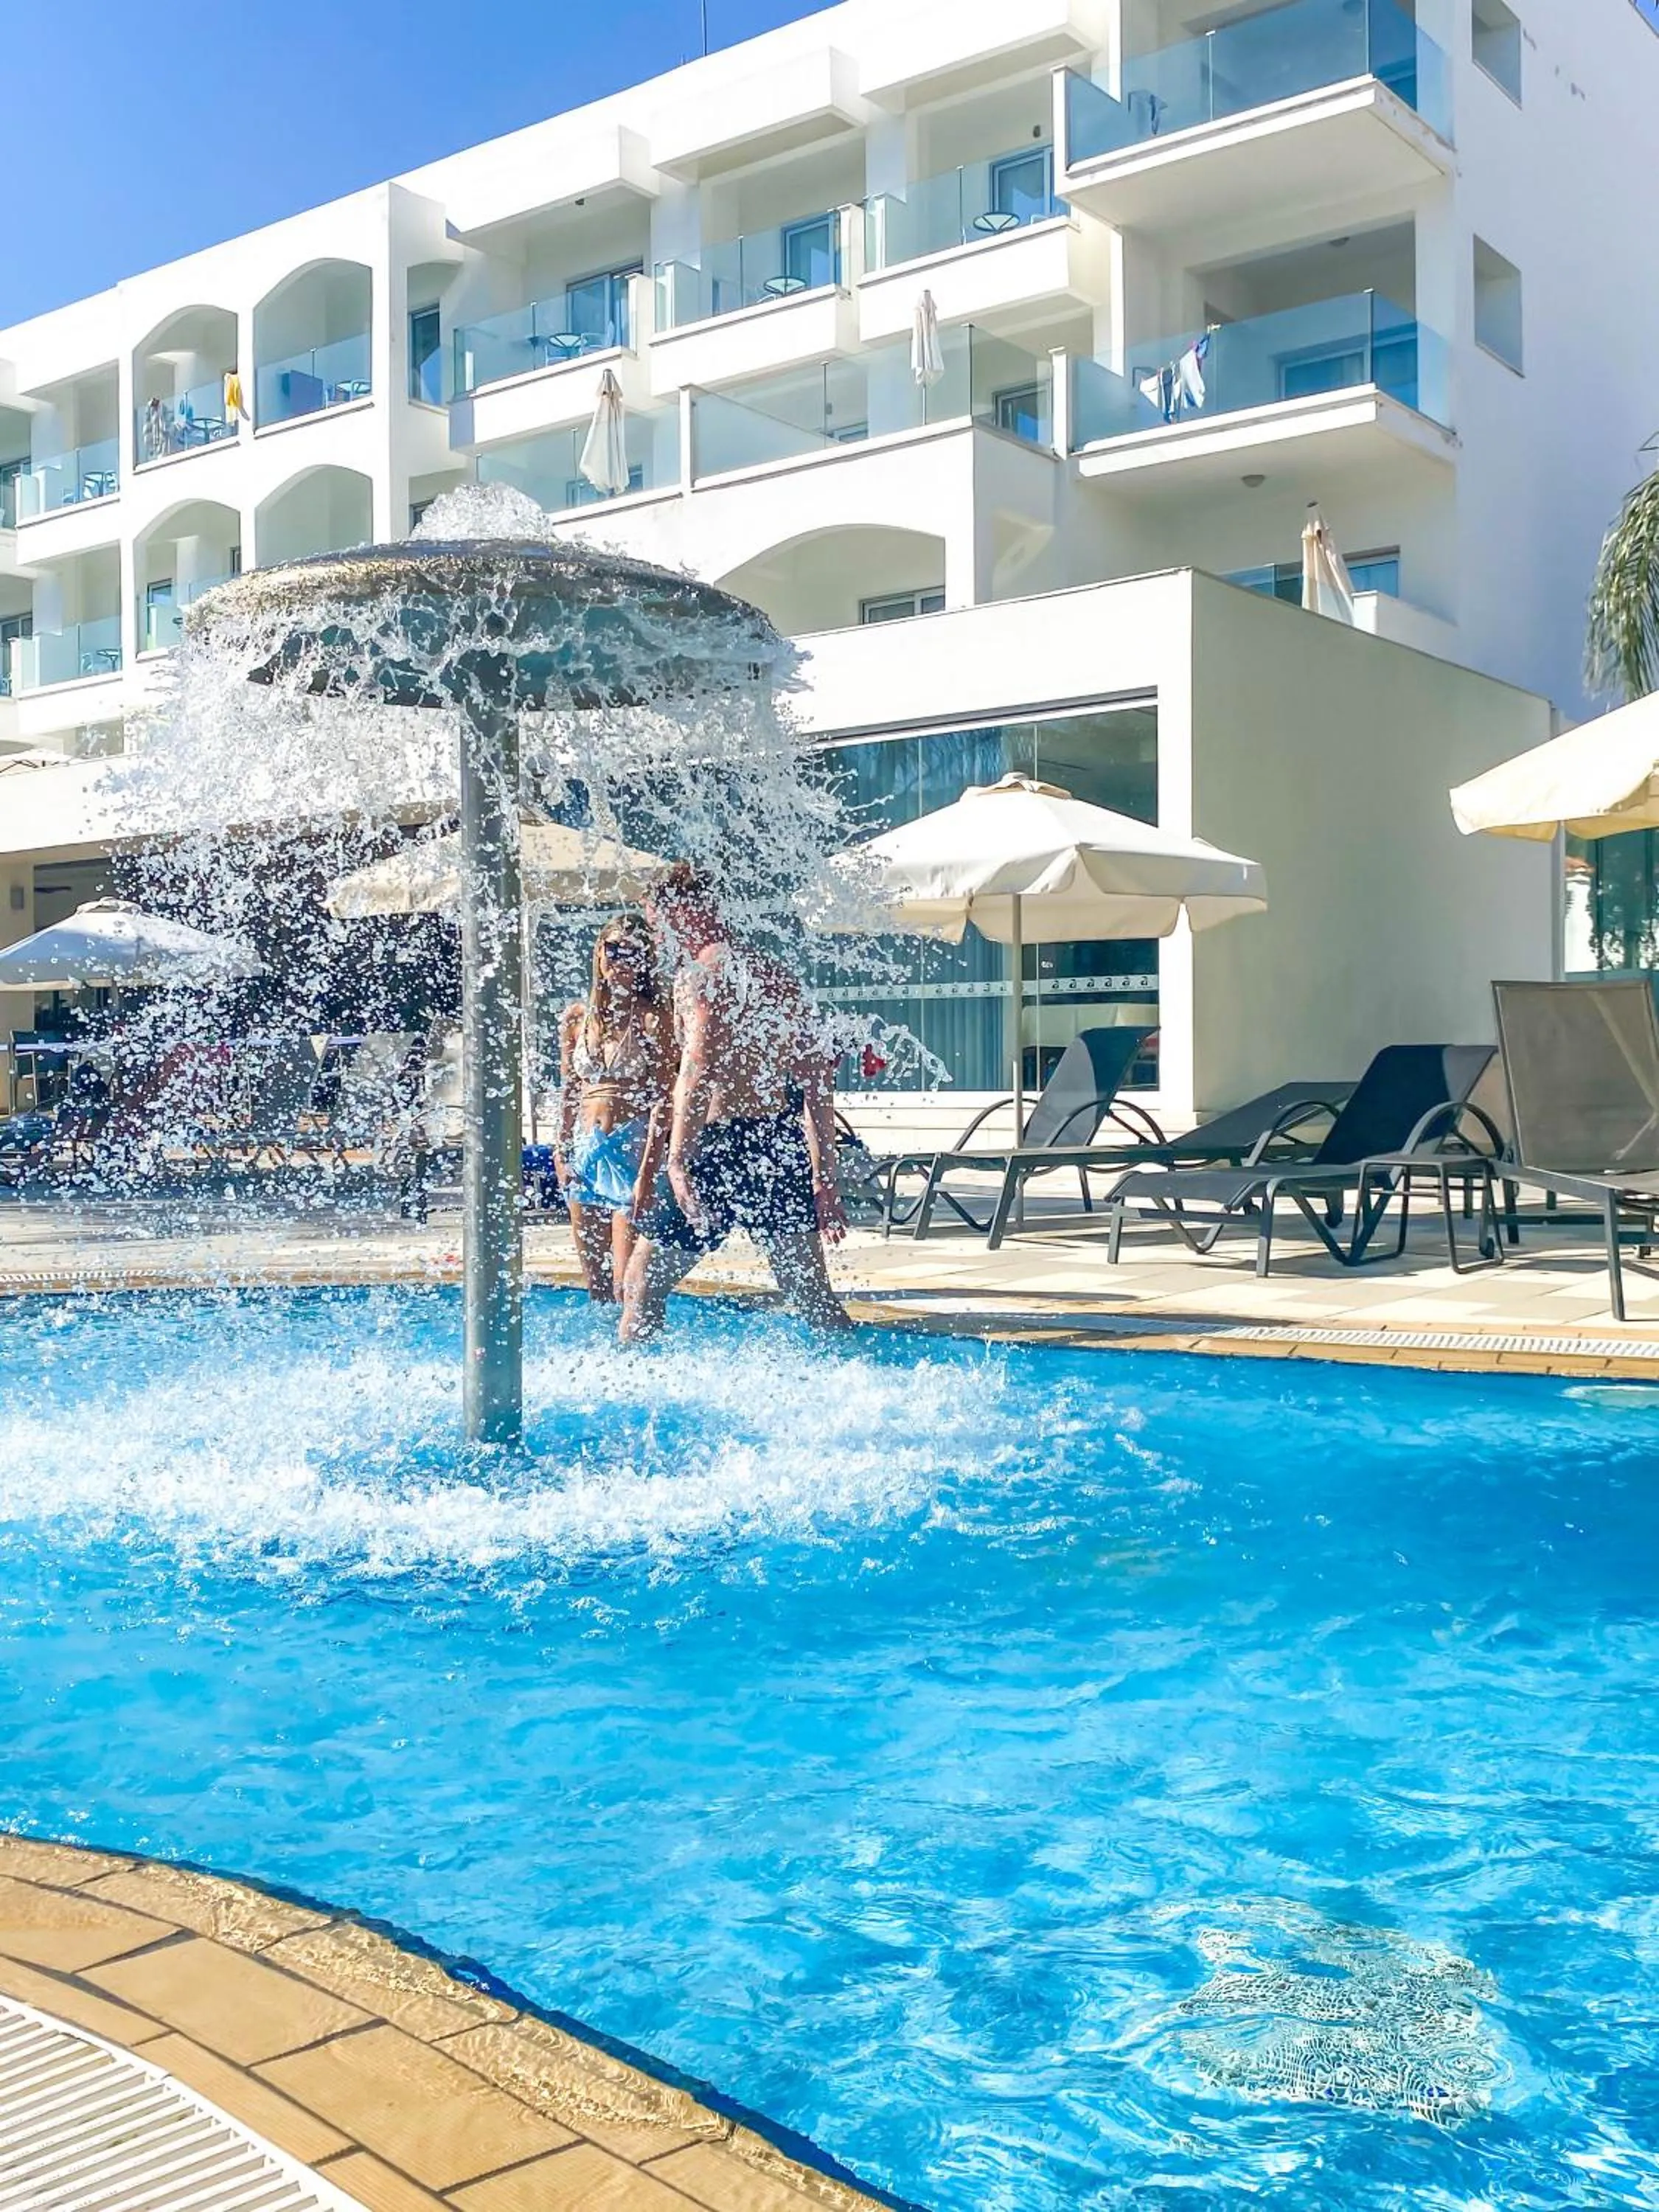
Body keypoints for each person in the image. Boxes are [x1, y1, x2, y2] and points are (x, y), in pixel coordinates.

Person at [619, 862, 851, 1343]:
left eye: (656, 922)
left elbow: (698, 1068)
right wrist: (823, 1178)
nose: (657, 937)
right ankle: (868, 1382)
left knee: (640, 1285)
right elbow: (815, 1080)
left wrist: (678, 1160)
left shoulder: (702, 975)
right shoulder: (776, 974)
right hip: (776, 1143)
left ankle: (633, 1404)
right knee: (813, 1299)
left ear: (677, 912)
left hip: (715, 1149)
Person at [556, 914, 673, 1304]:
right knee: (597, 1288)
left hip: (631, 1152)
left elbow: (666, 1098)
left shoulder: (654, 1018)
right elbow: (570, 1089)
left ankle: (633, 1356)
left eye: (633, 953)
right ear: (599, 953)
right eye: (614, 950)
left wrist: (651, 1169)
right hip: (586, 1150)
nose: (622, 960)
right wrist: (561, 1148)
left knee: (628, 1284)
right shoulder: (576, 1019)